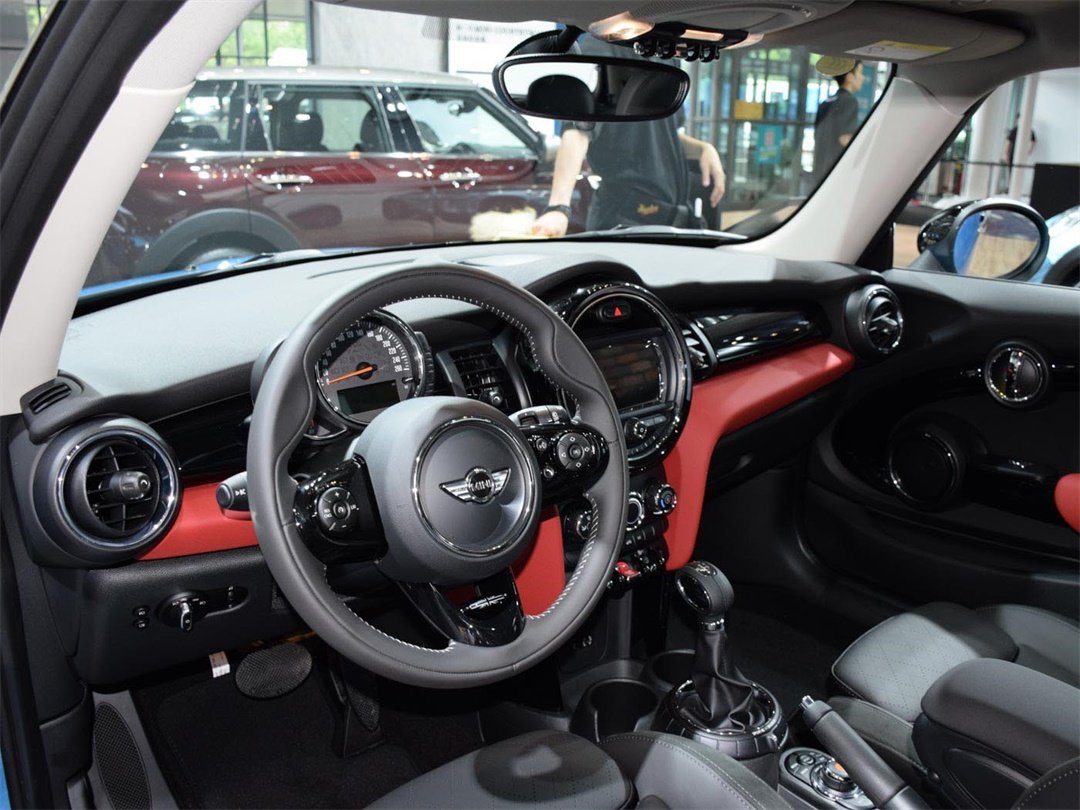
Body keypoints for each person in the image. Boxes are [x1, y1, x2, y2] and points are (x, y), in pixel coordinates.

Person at [531, 38, 725, 238]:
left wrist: (703, 149)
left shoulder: (666, 55)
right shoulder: (602, 49)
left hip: (671, 221)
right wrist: (558, 207)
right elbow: (578, 130)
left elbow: (662, 137)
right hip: (625, 220)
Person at [812, 57, 864, 185]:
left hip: (819, 171)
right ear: (850, 77)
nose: (863, 78)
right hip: (836, 171)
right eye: (860, 72)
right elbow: (845, 139)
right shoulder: (849, 101)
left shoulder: (825, 102)